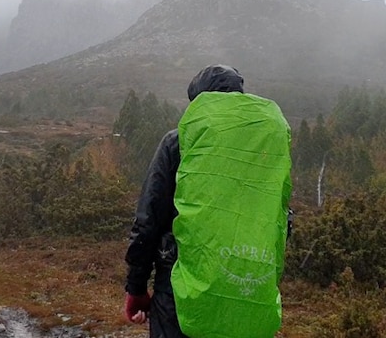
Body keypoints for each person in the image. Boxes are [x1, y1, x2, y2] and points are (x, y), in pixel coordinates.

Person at [123, 64, 292, 338]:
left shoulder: (179, 142)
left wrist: (136, 288)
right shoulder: (266, 150)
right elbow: (280, 218)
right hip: (246, 284)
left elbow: (149, 219)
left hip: (180, 284)